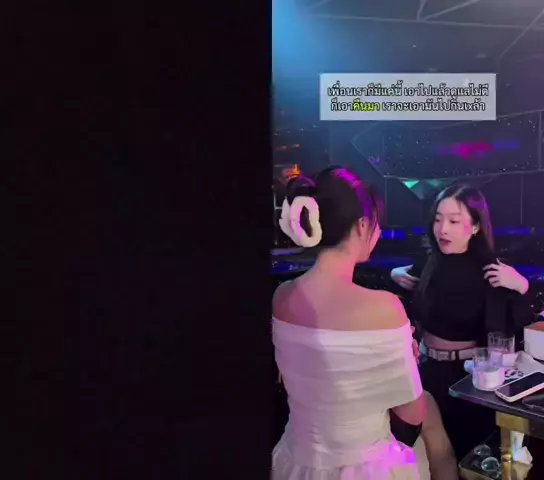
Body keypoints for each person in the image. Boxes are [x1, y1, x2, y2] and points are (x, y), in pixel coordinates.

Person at [272, 166, 435, 479]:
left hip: (294, 462)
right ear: (362, 225)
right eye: (376, 224)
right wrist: (405, 364)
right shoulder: (385, 308)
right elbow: (412, 415)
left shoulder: (282, 297)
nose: (378, 232)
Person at [390, 185, 535, 459]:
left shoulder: (490, 269)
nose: (442, 229)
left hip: (465, 378)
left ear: (476, 226)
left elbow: (518, 328)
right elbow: (411, 293)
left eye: (454, 221)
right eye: (438, 219)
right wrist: (394, 273)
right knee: (423, 456)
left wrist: (522, 286)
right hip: (424, 369)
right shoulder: (431, 260)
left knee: (460, 454)